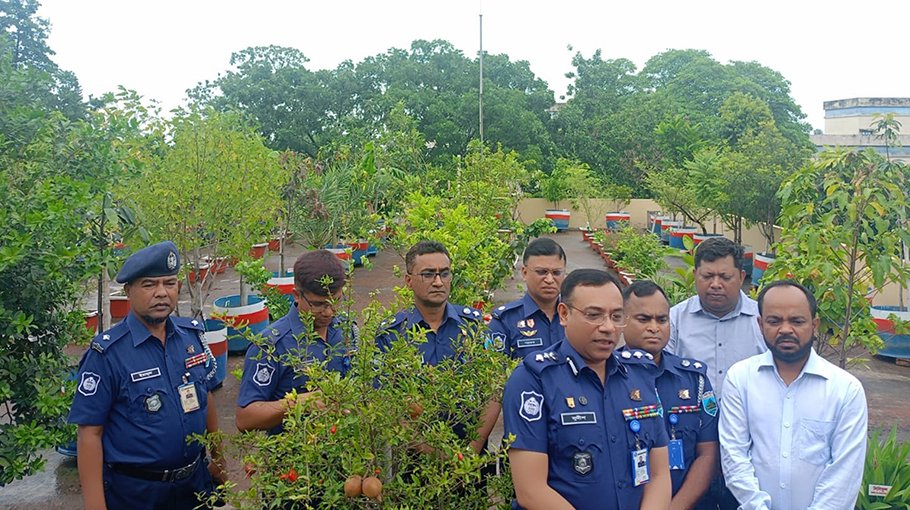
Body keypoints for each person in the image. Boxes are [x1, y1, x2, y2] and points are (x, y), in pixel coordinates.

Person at [68, 241, 223, 510]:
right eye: (149, 285)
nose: (161, 293)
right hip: (137, 494)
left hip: (195, 486)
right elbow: (89, 434)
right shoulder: (107, 354)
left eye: (169, 283)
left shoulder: (193, 337)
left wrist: (219, 460)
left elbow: (205, 396)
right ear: (128, 291)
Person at [503, 269, 671, 510]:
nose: (608, 327)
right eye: (594, 315)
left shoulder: (640, 374)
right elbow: (531, 490)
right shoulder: (534, 380)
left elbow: (658, 474)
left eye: (616, 316)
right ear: (564, 314)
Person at [719, 280, 868, 510]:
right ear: (760, 324)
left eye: (797, 321)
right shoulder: (740, 379)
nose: (786, 329)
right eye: (774, 321)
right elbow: (734, 456)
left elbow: (844, 473)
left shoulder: (845, 390)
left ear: (814, 324)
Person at [375, 240, 497, 453]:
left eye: (445, 273)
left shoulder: (475, 326)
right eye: (428, 274)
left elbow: (494, 392)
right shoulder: (391, 334)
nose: (438, 282)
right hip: (413, 459)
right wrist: (428, 451)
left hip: (471, 456)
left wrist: (472, 449)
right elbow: (385, 401)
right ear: (409, 281)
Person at [621, 280, 719, 510]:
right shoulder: (606, 377)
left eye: (662, 319)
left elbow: (708, 454)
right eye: (643, 319)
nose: (654, 327)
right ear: (622, 321)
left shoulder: (694, 379)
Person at [236, 249, 355, 434]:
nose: (329, 312)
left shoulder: (347, 330)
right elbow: (245, 418)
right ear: (297, 295)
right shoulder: (271, 345)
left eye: (335, 301)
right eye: (318, 304)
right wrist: (302, 402)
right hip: (295, 458)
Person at [667, 237, 766, 400]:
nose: (715, 284)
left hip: (749, 422)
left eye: (725, 277)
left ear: (742, 277)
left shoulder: (762, 321)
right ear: (695, 275)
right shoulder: (674, 320)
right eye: (707, 276)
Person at [487, 237, 567, 359]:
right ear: (524, 273)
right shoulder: (505, 321)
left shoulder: (576, 315)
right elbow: (496, 372)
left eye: (556, 273)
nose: (550, 280)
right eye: (542, 272)